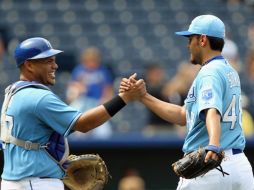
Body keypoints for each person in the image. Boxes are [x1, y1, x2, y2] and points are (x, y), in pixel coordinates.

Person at [120, 15, 254, 190]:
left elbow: (212, 110)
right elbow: (184, 115)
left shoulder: (209, 73)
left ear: (203, 40)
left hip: (209, 166)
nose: (188, 44)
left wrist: (213, 145)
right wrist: (143, 97)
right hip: (239, 167)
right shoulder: (228, 70)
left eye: (191, 39)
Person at [0, 37, 145, 190]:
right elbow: (84, 124)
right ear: (29, 65)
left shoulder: (13, 92)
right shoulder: (38, 97)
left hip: (15, 181)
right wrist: (124, 98)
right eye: (48, 61)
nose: (55, 66)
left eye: (54, 60)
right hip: (34, 183)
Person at [66, 47, 114, 138]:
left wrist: (105, 101)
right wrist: (78, 90)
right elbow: (71, 92)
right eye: (89, 60)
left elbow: (108, 90)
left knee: (104, 133)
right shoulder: (79, 70)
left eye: (93, 60)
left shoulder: (103, 71)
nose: (91, 63)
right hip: (82, 103)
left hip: (97, 104)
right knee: (76, 132)